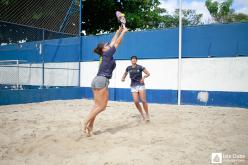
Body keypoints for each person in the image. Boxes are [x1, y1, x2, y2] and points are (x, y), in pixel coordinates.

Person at [82, 26, 128, 136]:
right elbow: (117, 43)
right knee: (102, 107)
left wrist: (117, 32)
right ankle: (84, 122)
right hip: (102, 80)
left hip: (96, 80)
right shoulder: (107, 54)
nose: (109, 45)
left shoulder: (104, 55)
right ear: (104, 49)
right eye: (106, 45)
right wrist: (124, 32)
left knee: (96, 106)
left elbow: (112, 42)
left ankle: (90, 127)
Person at [121, 56, 150, 122]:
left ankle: (147, 114)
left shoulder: (140, 67)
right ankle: (142, 114)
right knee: (136, 101)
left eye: (135, 60)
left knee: (143, 100)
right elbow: (125, 73)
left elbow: (148, 73)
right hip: (133, 86)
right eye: (132, 60)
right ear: (131, 61)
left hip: (140, 85)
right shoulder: (128, 68)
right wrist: (123, 78)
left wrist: (143, 78)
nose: (133, 61)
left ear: (136, 60)